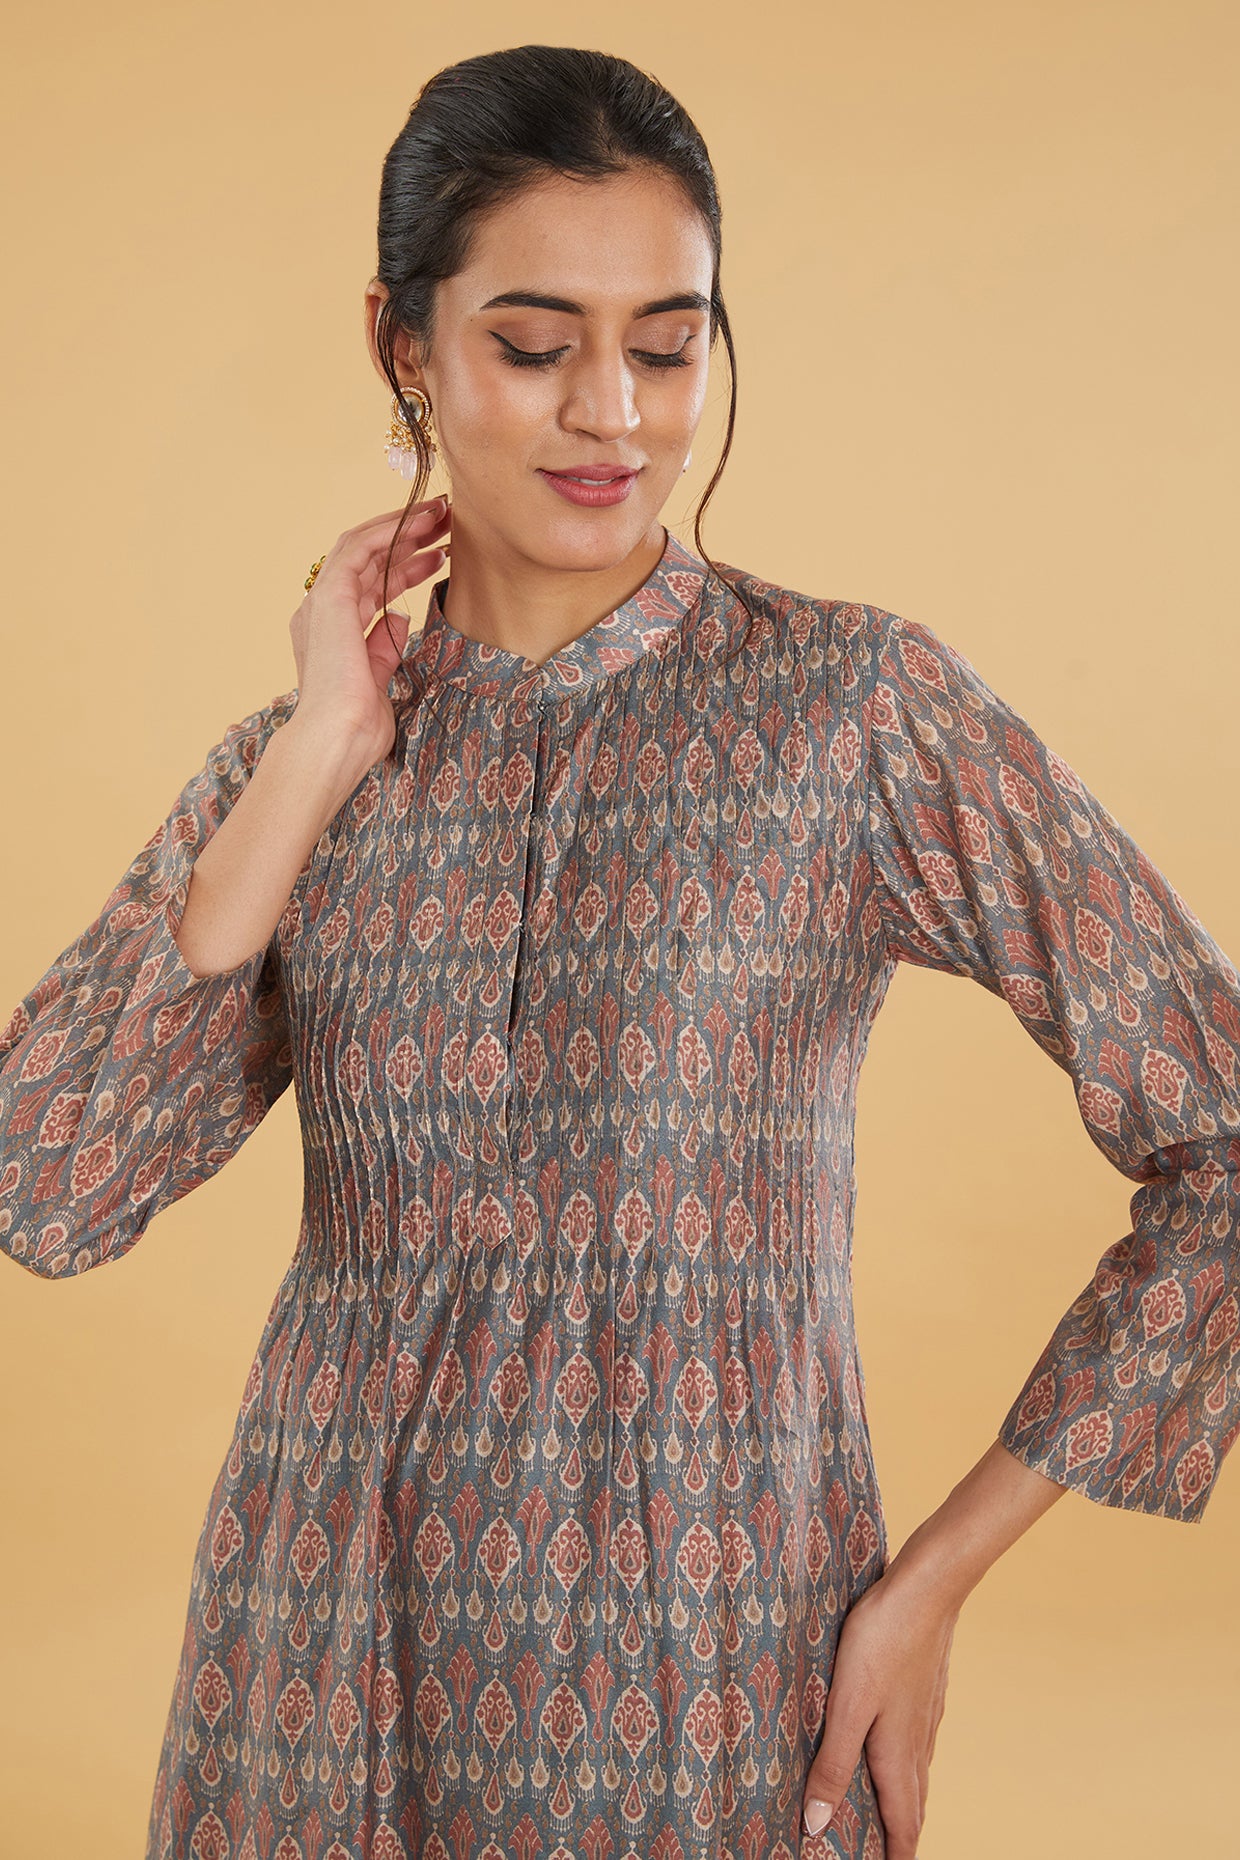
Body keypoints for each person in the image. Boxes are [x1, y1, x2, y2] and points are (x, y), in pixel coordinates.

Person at [1, 41, 1236, 1860]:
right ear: (403, 347)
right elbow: (45, 1185)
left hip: (709, 1670)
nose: (614, 415)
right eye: (533, 345)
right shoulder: (301, 766)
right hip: (318, 1685)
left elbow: (1223, 1135)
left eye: (669, 346)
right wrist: (324, 744)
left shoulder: (851, 710)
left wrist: (930, 1589)